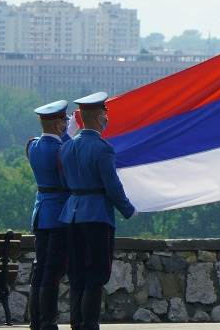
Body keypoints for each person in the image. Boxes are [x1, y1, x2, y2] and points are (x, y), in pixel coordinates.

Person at [58, 91, 137, 330]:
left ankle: (77, 323)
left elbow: (65, 182)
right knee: (96, 273)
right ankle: (89, 324)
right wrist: (128, 209)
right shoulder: (103, 149)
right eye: (105, 114)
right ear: (99, 116)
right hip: (96, 216)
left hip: (71, 214)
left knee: (77, 274)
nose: (106, 119)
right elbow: (112, 186)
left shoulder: (67, 148)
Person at [26, 99, 71, 330]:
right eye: (63, 120)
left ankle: (36, 320)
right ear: (58, 124)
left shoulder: (32, 146)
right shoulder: (61, 149)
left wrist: (62, 133)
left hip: (41, 213)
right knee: (52, 272)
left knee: (40, 269)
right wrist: (67, 135)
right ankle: (48, 321)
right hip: (58, 215)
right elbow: (68, 179)